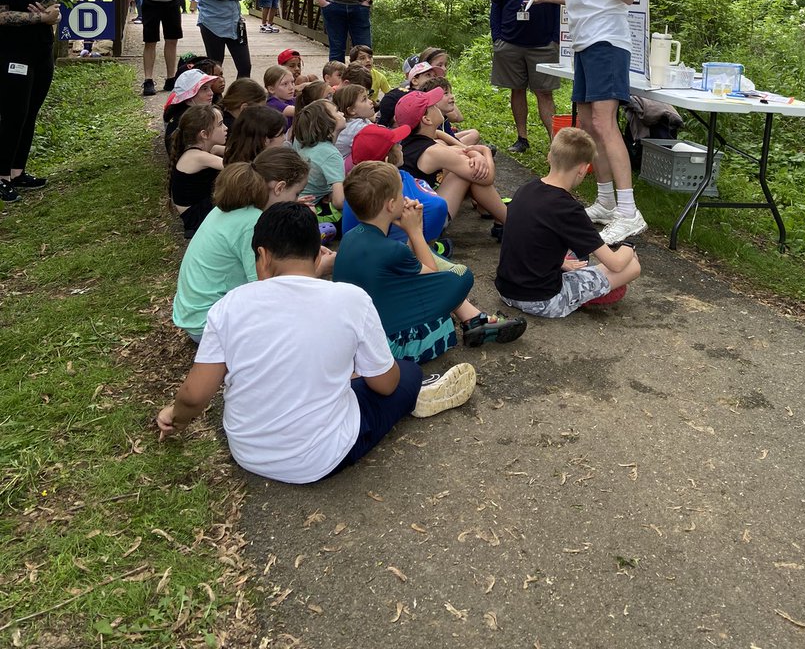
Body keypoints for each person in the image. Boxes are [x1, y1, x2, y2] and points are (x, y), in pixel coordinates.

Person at [157, 202, 478, 483]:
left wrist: (176, 416)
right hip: (323, 457)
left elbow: (195, 395)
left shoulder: (229, 305)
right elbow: (384, 384)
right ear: (318, 253)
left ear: (263, 256)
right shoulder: (351, 300)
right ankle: (417, 395)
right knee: (406, 375)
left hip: (248, 452)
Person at [531, 0, 647, 244]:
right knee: (586, 124)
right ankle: (607, 201)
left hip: (607, 41)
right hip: (582, 44)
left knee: (603, 123)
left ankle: (628, 211)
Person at [336, 162, 527, 361]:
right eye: (401, 194)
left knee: (423, 265)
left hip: (357, 337)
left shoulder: (350, 238)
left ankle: (474, 320)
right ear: (391, 205)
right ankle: (471, 320)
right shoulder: (392, 250)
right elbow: (434, 279)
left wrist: (410, 235)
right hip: (387, 348)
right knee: (461, 279)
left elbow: (407, 267)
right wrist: (416, 232)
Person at [171, 146, 314, 342]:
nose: (296, 200)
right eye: (297, 194)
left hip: (195, 315)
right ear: (279, 188)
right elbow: (264, 290)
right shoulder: (252, 223)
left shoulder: (237, 206)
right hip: (208, 326)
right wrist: (313, 269)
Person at [495, 127, 641, 316]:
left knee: (578, 256)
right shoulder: (569, 209)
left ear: (550, 156)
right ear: (582, 169)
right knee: (633, 265)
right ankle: (586, 296)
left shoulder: (526, 189)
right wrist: (628, 246)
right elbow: (616, 264)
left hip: (506, 290)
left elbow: (529, 236)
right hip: (543, 300)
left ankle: (574, 276)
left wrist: (561, 262)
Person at [490, 0, 562, 153]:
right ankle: (522, 138)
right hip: (510, 41)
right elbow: (497, 4)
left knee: (544, 93)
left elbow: (564, 1)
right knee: (516, 90)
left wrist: (554, 37)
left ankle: (555, 144)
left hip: (542, 43)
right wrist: (497, 36)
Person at [0, 0, 60, 203]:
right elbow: (1, 15)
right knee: (13, 114)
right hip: (14, 56)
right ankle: (1, 176)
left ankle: (17, 171)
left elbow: (52, 7)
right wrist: (37, 17)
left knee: (30, 113)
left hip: (42, 53)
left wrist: (49, 15)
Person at [397, 89, 509, 228]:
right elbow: (488, 177)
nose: (437, 105)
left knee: (466, 167)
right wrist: (485, 152)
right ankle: (511, 223)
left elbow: (455, 150)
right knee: (471, 175)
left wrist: (472, 153)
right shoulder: (432, 151)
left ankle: (502, 220)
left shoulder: (413, 141)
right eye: (432, 106)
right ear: (426, 119)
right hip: (424, 222)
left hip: (414, 212)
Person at [168, 105, 227, 238]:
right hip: (196, 215)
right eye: (221, 124)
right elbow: (235, 166)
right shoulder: (198, 157)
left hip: (201, 207)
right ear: (204, 134)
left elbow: (235, 152)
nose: (226, 128)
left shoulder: (206, 149)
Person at [292, 99, 346, 214]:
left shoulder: (307, 145)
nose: (342, 113)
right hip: (304, 211)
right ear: (327, 123)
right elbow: (339, 202)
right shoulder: (331, 154)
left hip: (292, 202)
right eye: (337, 111)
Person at [163, 69, 216, 151]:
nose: (211, 93)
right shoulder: (190, 122)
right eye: (204, 89)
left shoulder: (190, 113)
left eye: (210, 87)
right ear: (189, 96)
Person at [223, 104, 287, 165]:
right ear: (265, 140)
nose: (284, 138)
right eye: (281, 134)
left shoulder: (234, 161)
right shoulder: (260, 172)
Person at [333, 83, 376, 158]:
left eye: (368, 97)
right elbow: (379, 135)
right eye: (364, 99)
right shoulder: (354, 127)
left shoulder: (357, 119)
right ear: (351, 110)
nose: (371, 101)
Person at [264, 64, 296, 132]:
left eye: (292, 82)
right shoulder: (272, 104)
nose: (291, 87)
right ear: (271, 89)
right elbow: (298, 111)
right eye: (285, 84)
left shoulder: (290, 99)